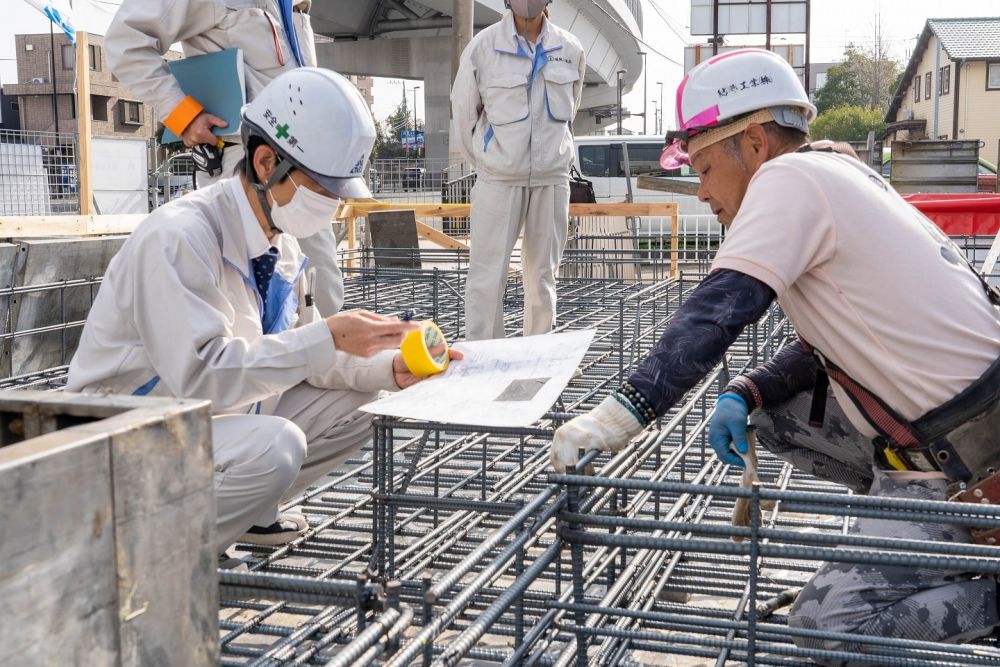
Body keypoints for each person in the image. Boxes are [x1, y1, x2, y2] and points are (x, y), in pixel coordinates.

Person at [550, 48, 1000, 660]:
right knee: (768, 413)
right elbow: (828, 342)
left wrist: (621, 412)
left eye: (704, 166)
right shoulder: (835, 175)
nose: (701, 190)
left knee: (825, 626)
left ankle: (956, 557)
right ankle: (898, 520)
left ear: (754, 142)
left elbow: (720, 307)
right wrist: (748, 389)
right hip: (956, 424)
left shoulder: (787, 180)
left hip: (972, 458)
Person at [67, 68, 460, 551]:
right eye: (323, 190)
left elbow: (309, 360)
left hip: (207, 420)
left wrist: (391, 368)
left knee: (367, 402)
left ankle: (247, 515)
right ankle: (149, 557)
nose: (334, 206)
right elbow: (202, 376)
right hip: (123, 437)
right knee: (277, 446)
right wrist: (328, 337)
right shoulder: (181, 238)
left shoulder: (284, 246)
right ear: (265, 161)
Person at [105, 0, 347, 317]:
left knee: (319, 293)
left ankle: (319, 361)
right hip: (242, 165)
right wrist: (183, 115)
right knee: (245, 305)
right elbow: (126, 41)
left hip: (301, 165)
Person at [451, 0, 586, 340]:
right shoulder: (483, 48)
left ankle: (536, 355)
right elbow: (465, 114)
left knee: (543, 276)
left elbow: (572, 112)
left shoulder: (570, 49)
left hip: (552, 179)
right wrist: (490, 160)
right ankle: (484, 357)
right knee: (486, 276)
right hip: (499, 179)